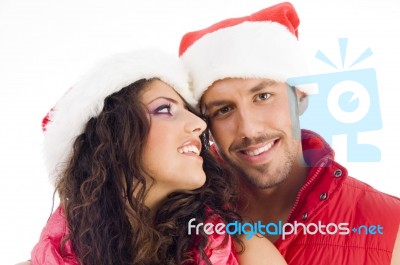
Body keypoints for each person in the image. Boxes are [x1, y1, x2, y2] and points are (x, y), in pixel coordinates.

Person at [178, 2, 400, 264]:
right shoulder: (177, 219)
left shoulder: (390, 225)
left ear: (300, 95)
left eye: (263, 96)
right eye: (224, 110)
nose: (249, 129)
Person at [26, 49, 286, 265]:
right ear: (112, 139)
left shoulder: (247, 251)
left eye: (189, 110)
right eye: (165, 109)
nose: (199, 124)